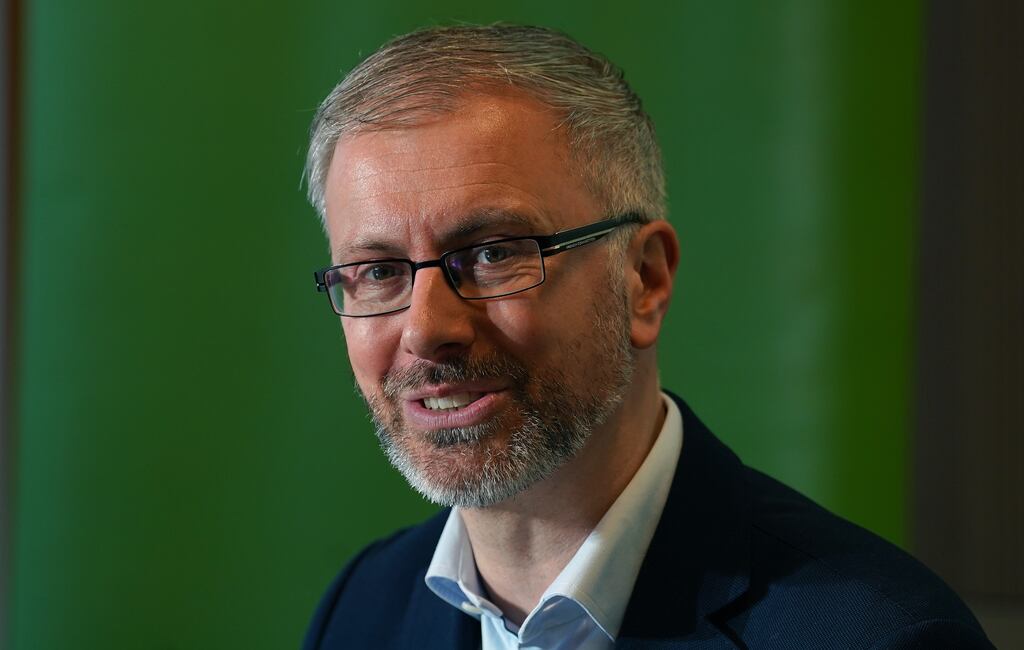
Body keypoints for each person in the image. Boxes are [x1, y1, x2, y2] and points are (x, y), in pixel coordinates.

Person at [301, 24, 993, 650]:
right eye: (379, 271)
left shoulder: (881, 636)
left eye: (494, 253)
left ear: (644, 279)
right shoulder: (362, 609)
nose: (428, 329)